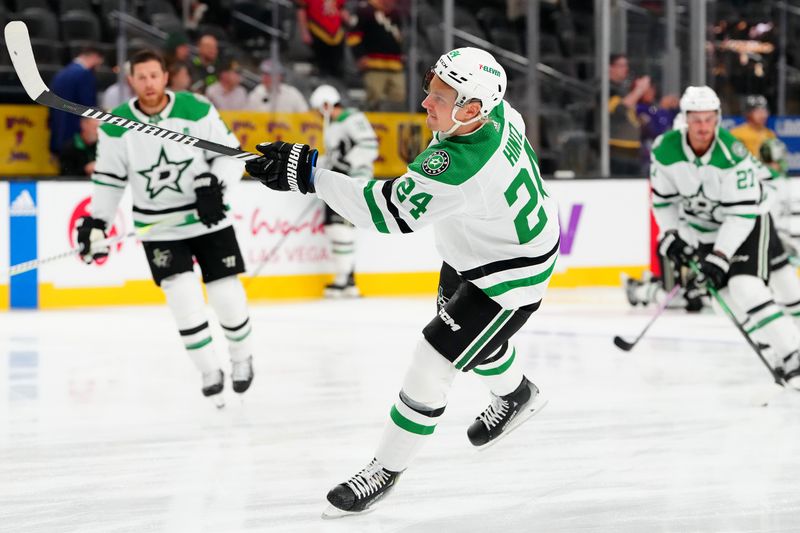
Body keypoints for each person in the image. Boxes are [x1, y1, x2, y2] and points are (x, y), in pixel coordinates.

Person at [246, 47, 557, 517]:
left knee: (433, 361)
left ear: (471, 108)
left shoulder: (461, 167)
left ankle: (385, 469)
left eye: (439, 95)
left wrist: (309, 176)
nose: (425, 102)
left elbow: (386, 212)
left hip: (508, 277)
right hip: (480, 250)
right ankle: (517, 394)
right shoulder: (502, 115)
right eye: (431, 88)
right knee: (474, 345)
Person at [77, 49, 255, 405]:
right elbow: (110, 179)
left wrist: (215, 187)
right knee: (183, 299)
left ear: (165, 76)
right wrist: (98, 223)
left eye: (154, 75)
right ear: (130, 81)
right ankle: (208, 369)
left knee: (225, 295)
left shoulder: (197, 108)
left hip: (207, 220)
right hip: (158, 227)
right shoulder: (117, 123)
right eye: (141, 77)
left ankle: (241, 358)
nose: (148, 83)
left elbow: (230, 155)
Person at [650, 85, 800, 390]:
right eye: (696, 120)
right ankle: (772, 349)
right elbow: (664, 202)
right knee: (725, 302)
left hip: (749, 223)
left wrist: (720, 257)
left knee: (745, 285)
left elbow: (741, 215)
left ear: (717, 119)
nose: (703, 127)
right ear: (686, 119)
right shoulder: (664, 150)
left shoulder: (732, 154)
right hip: (708, 230)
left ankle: (794, 355)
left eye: (709, 119)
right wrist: (671, 235)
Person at [309, 84, 379, 297]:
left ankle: (344, 279)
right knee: (338, 227)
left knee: (340, 227)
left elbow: (369, 146)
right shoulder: (334, 126)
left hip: (353, 181)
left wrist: (346, 164)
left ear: (327, 104)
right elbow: (334, 156)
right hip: (340, 180)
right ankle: (348, 279)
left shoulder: (352, 119)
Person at [347, 0, 405, 110]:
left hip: (395, 65)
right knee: (374, 99)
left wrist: (401, 53)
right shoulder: (365, 10)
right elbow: (353, 36)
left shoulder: (395, 13)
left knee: (398, 98)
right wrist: (360, 56)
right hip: (373, 64)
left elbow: (399, 37)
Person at [48, 46, 105, 155]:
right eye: (99, 62)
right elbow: (88, 108)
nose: (98, 66)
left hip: (58, 134)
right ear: (95, 57)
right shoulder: (85, 75)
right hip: (77, 138)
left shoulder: (60, 74)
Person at [608, 54, 651, 175]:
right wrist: (639, 89)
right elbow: (619, 110)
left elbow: (628, 113)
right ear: (610, 68)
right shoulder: (606, 88)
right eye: (621, 65)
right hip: (616, 150)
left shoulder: (623, 90)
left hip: (633, 151)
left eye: (626, 65)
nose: (625, 69)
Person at [296, 0, 348, 78]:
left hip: (337, 32)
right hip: (317, 29)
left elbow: (341, 9)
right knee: (323, 67)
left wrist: (348, 21)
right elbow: (301, 10)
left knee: (338, 66)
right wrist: (304, 32)